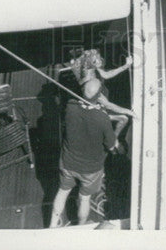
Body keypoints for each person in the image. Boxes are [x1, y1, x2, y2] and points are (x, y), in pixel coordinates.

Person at [49, 79, 119, 228]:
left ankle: (52, 225)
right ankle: (81, 226)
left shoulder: (70, 107)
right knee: (84, 198)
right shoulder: (103, 119)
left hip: (67, 163)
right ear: (100, 96)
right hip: (91, 170)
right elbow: (111, 145)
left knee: (62, 192)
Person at [69, 49, 135, 137]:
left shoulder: (86, 67)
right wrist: (127, 111)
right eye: (97, 60)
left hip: (99, 103)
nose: (100, 61)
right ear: (91, 62)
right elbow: (108, 105)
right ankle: (113, 142)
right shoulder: (91, 87)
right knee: (124, 119)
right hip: (96, 112)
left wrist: (126, 66)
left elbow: (106, 75)